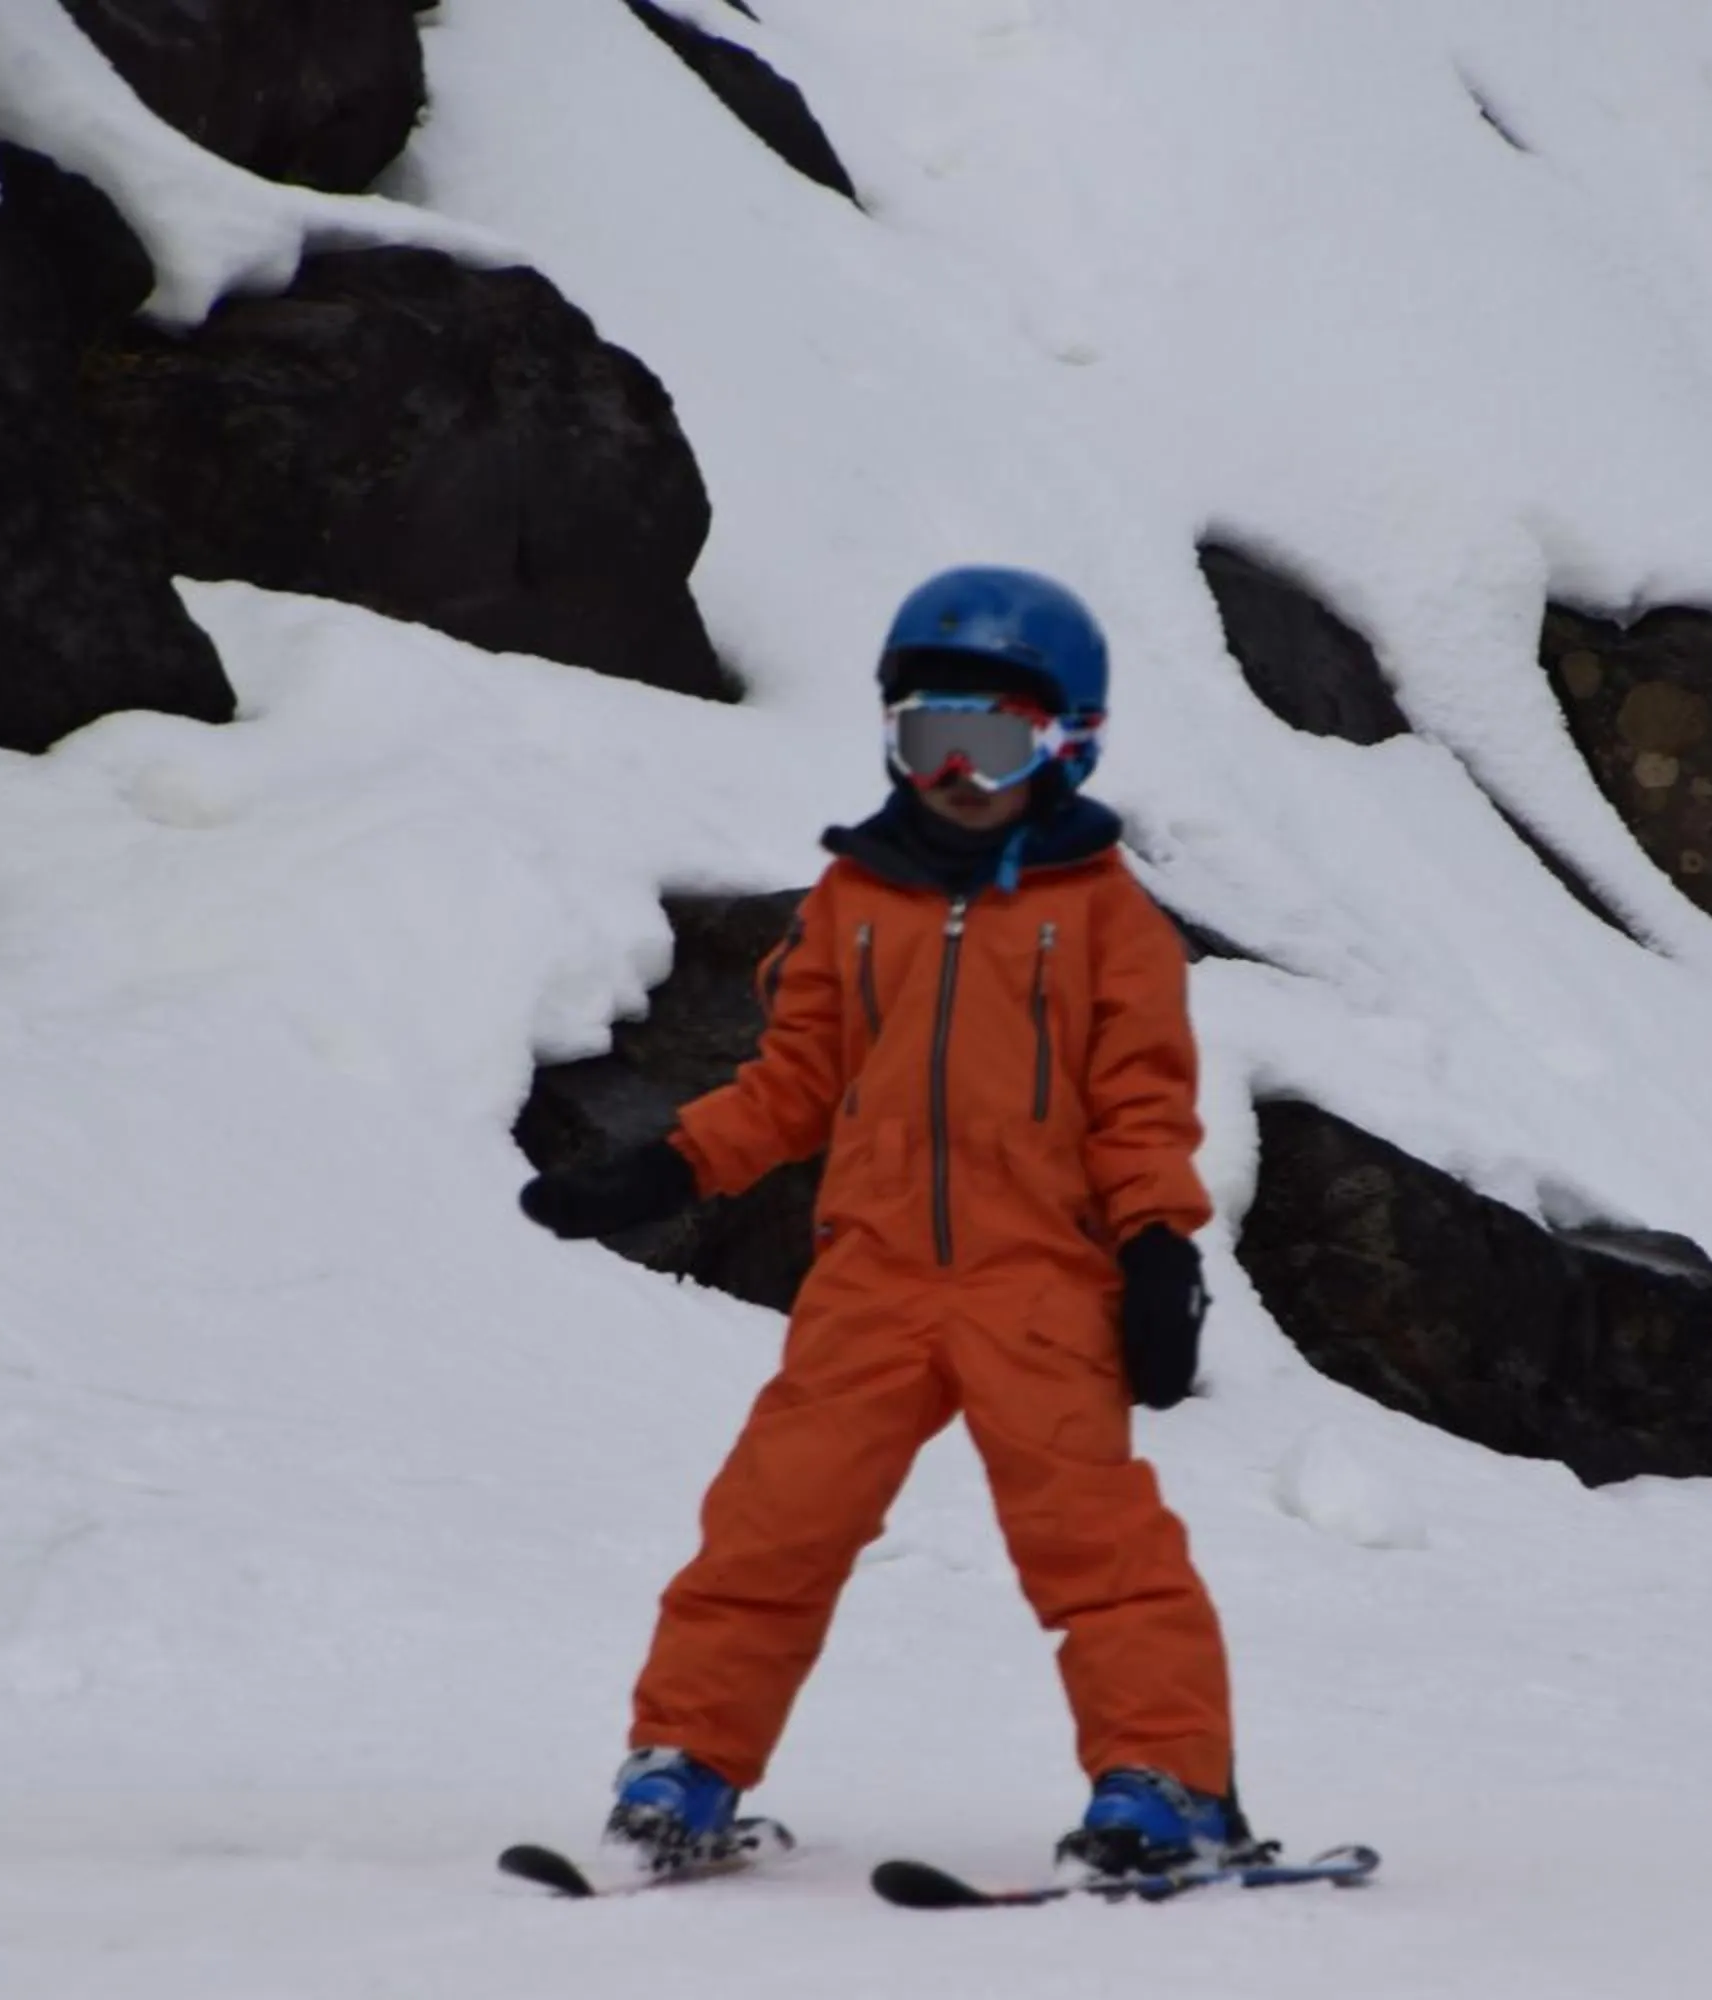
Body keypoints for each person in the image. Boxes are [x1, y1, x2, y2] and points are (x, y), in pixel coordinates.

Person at [520, 565, 1249, 1882]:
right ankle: (684, 1766)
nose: (958, 771)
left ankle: (1167, 1786)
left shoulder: (1108, 922)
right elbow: (794, 1083)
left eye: (993, 739)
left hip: (1040, 1287)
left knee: (1098, 1547)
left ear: (1065, 743)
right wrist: (671, 1166)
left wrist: (1158, 1250)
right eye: (929, 737)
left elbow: (1143, 1107)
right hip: (870, 1284)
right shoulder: (854, 902)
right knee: (770, 1526)